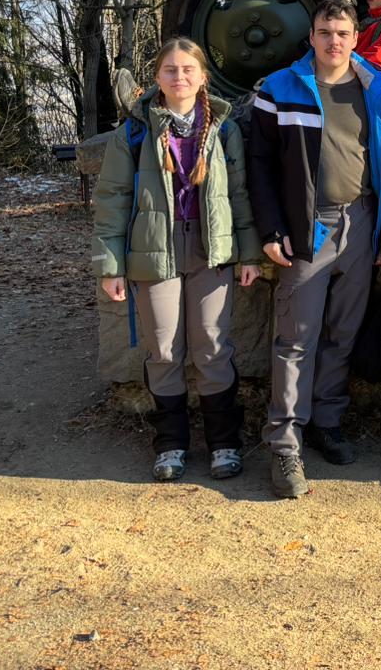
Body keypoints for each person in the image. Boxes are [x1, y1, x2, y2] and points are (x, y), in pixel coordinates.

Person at [247, 0, 381, 499]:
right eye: (324, 32)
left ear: (356, 37)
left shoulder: (380, 91)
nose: (333, 41)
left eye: (342, 33)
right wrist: (271, 229)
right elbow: (259, 165)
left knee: (342, 331)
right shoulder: (280, 89)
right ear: (311, 37)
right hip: (306, 226)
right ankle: (284, 442)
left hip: (361, 221)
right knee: (296, 337)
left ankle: (327, 421)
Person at [92, 38, 262, 483]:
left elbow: (239, 196)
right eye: (170, 69)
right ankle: (170, 443)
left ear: (203, 77)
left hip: (211, 251)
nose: (179, 77)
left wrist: (249, 253)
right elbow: (112, 198)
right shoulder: (135, 132)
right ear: (157, 77)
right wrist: (111, 264)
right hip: (154, 251)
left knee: (212, 347)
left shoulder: (223, 129)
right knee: (164, 350)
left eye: (188, 69)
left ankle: (224, 442)